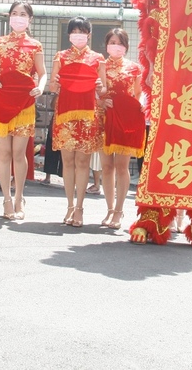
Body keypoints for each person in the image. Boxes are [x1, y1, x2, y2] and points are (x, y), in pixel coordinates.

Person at [0, 2, 46, 220]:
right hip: (1, 99)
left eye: (23, 14)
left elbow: (42, 72)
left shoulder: (35, 45)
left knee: (19, 154)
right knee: (4, 153)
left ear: (30, 19)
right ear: (9, 17)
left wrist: (41, 86)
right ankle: (6, 199)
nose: (18, 17)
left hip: (24, 102)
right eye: (15, 14)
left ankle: (19, 197)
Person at [47, 16, 105, 228]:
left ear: (88, 34)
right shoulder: (60, 56)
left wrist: (100, 87)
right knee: (68, 162)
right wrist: (56, 82)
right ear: (69, 34)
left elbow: (104, 89)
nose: (78, 35)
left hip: (88, 115)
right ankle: (69, 205)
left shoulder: (98, 58)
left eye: (82, 31)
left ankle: (80, 207)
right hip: (65, 114)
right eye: (74, 31)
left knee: (83, 162)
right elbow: (52, 88)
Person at [99, 28, 144, 230]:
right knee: (106, 167)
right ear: (107, 45)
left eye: (119, 42)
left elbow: (138, 94)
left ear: (125, 46)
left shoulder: (134, 68)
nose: (115, 46)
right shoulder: (100, 66)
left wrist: (140, 106)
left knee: (121, 166)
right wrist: (100, 102)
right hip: (104, 118)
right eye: (112, 42)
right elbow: (95, 90)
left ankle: (119, 210)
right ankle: (109, 208)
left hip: (125, 119)